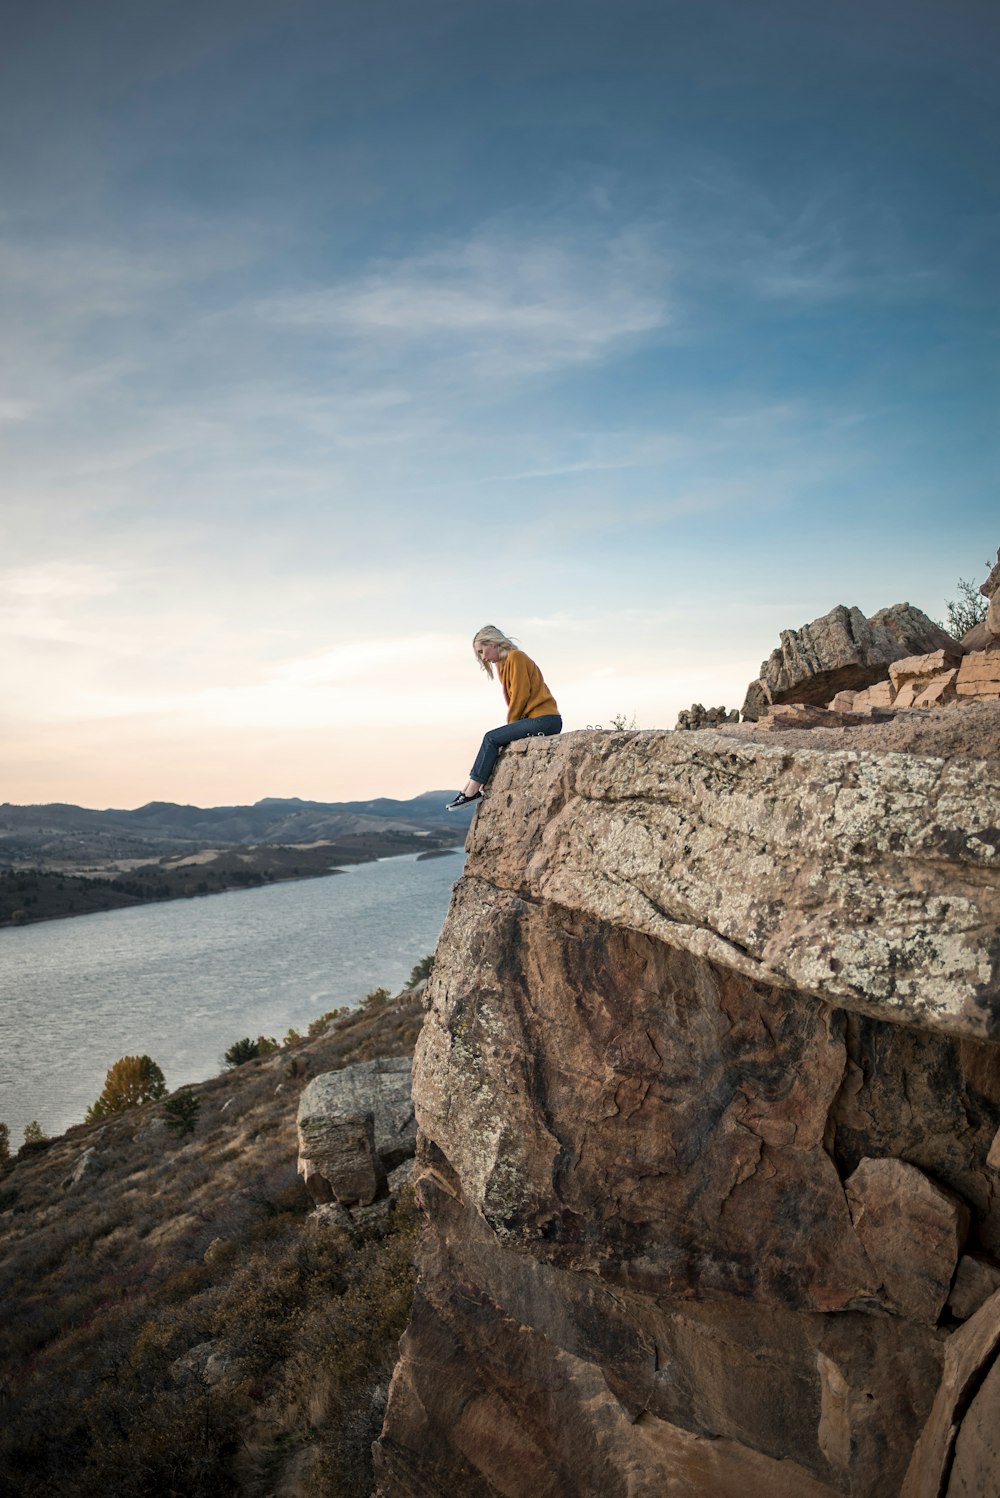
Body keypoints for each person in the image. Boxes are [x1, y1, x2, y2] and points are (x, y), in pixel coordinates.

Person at [446, 626, 562, 810]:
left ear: (492, 643)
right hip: (533, 719)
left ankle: (471, 792)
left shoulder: (517, 657)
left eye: (482, 651)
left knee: (491, 737)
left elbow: (520, 695)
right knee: (493, 738)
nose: (483, 657)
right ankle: (468, 789)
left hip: (545, 720)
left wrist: (512, 725)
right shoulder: (503, 665)